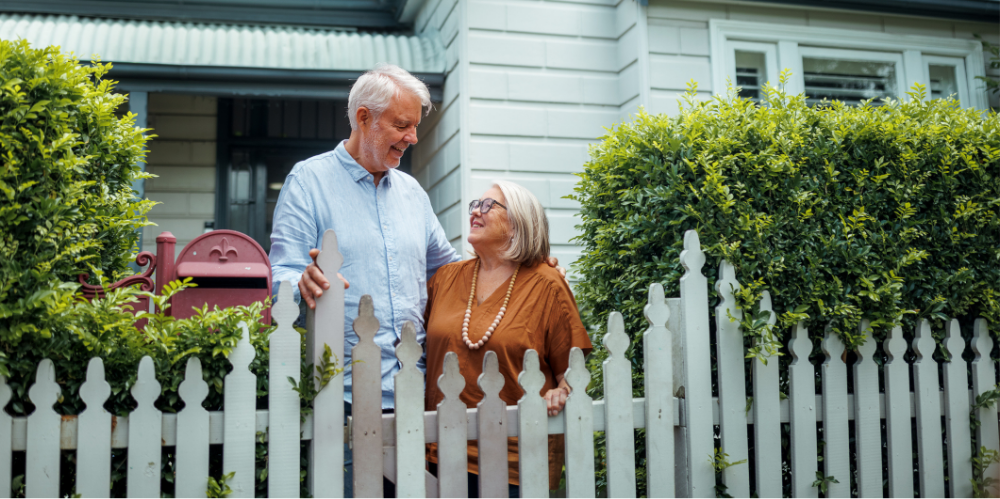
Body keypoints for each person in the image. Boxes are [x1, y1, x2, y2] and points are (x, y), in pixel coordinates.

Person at [269, 64, 564, 497]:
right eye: (402, 124)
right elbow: (282, 274)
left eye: (415, 126)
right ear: (364, 118)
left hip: (420, 395)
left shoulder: (412, 194)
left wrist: (528, 266)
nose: (412, 137)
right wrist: (302, 281)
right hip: (345, 398)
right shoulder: (308, 182)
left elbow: (452, 275)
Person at [423, 180, 592, 497]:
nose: (476, 210)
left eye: (489, 205)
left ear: (518, 225)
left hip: (517, 461)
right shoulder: (446, 278)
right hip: (440, 452)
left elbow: (572, 371)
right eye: (475, 203)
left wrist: (563, 392)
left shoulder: (547, 283)